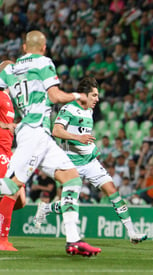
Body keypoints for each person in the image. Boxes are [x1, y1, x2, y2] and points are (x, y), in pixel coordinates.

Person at [0, 30, 101, 255]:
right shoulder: (44, 62)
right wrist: (77, 96)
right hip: (35, 131)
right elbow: (55, 97)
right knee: (10, 186)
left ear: (24, 47)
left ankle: (73, 240)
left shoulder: (10, 70)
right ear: (44, 48)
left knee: (72, 178)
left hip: (39, 133)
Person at [33, 77, 147, 244]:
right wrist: (78, 138)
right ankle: (46, 208)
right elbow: (56, 131)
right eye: (94, 95)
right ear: (83, 95)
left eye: (97, 95)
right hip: (71, 164)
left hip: (90, 162)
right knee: (69, 202)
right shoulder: (69, 109)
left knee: (112, 191)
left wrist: (91, 147)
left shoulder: (89, 111)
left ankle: (132, 232)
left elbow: (84, 134)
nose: (97, 99)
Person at [0, 60, 25, 251]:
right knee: (14, 189)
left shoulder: (8, 97)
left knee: (21, 199)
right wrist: (5, 126)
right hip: (0, 151)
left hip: (8, 150)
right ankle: (2, 239)